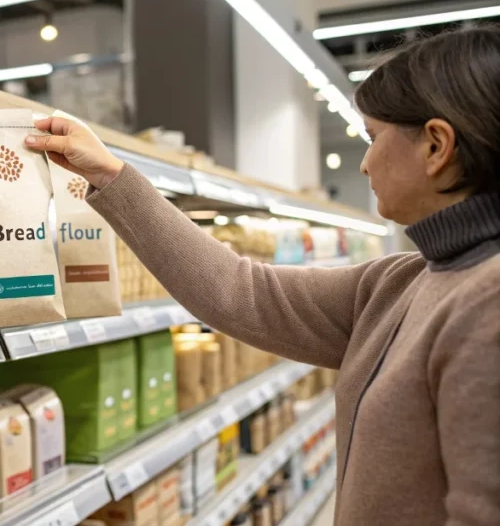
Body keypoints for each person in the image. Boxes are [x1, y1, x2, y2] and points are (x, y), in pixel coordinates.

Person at [27, 27, 500, 526]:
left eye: (373, 138)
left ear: (436, 146)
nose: (363, 164)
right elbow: (240, 291)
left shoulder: (486, 306)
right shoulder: (401, 283)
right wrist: (109, 175)